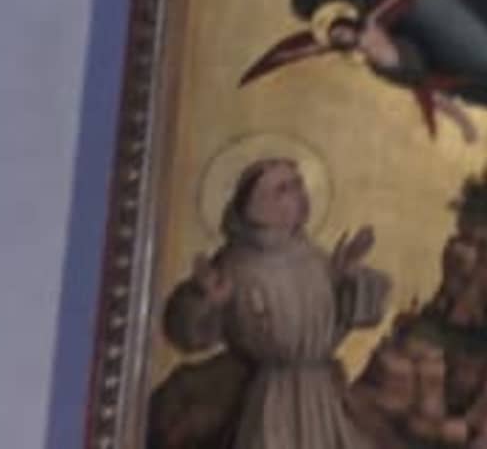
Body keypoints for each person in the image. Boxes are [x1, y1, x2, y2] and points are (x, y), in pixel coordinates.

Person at [157, 158, 391, 449]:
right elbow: (187, 331)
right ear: (254, 205)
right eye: (283, 189)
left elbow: (343, 318)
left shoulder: (312, 256)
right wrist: (207, 301)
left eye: (298, 184)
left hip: (322, 396)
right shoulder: (236, 263)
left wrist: (346, 274)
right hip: (273, 397)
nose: (299, 194)